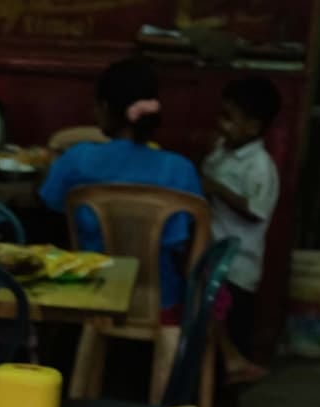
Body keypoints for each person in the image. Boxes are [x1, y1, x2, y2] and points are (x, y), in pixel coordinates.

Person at [40, 57, 203, 315]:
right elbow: (192, 249)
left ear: (103, 107)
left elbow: (49, 214)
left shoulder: (77, 159)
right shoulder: (180, 170)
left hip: (89, 296)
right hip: (161, 303)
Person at [202, 75, 282, 385]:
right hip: (213, 253)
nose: (221, 124)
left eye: (229, 117)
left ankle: (229, 390)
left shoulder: (260, 166)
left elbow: (255, 210)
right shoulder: (223, 150)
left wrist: (217, 189)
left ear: (253, 127)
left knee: (232, 329)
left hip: (237, 266)